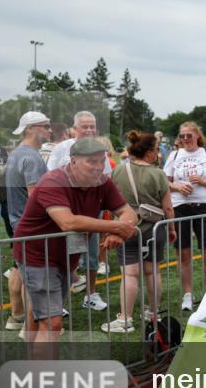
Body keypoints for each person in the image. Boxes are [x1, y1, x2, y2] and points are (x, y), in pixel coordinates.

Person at [14, 138, 138, 356]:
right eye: (91, 161)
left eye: (103, 160)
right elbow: (68, 222)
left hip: (66, 256)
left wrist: (119, 232)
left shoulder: (103, 182)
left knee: (41, 314)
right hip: (36, 254)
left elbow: (128, 213)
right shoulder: (53, 181)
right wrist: (116, 226)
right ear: (73, 161)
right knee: (53, 322)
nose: (99, 167)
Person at [104, 131, 176, 333]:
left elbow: (111, 200)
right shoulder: (158, 173)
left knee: (129, 274)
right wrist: (171, 228)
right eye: (155, 150)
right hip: (154, 228)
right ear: (150, 152)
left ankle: (125, 319)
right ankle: (153, 312)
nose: (157, 154)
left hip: (125, 227)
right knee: (153, 271)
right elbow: (168, 207)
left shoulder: (118, 170)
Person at [47, 111, 112, 307]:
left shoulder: (101, 150)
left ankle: (91, 295)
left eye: (92, 126)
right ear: (74, 129)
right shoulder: (61, 149)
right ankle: (59, 302)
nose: (90, 130)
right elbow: (51, 176)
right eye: (85, 126)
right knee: (64, 256)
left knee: (92, 255)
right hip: (67, 212)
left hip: (92, 210)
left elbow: (106, 178)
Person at [164, 121, 206, 311]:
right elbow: (166, 181)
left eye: (189, 135)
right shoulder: (174, 155)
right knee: (184, 254)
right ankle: (188, 294)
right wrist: (178, 186)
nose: (185, 139)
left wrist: (203, 181)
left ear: (197, 136)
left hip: (204, 207)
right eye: (182, 136)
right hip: (180, 208)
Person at [4, 111, 53, 331]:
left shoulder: (16, 153)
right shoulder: (32, 156)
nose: (50, 130)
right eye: (46, 126)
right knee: (35, 278)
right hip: (31, 226)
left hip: (18, 222)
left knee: (19, 270)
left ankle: (16, 317)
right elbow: (37, 198)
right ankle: (30, 327)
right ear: (31, 128)